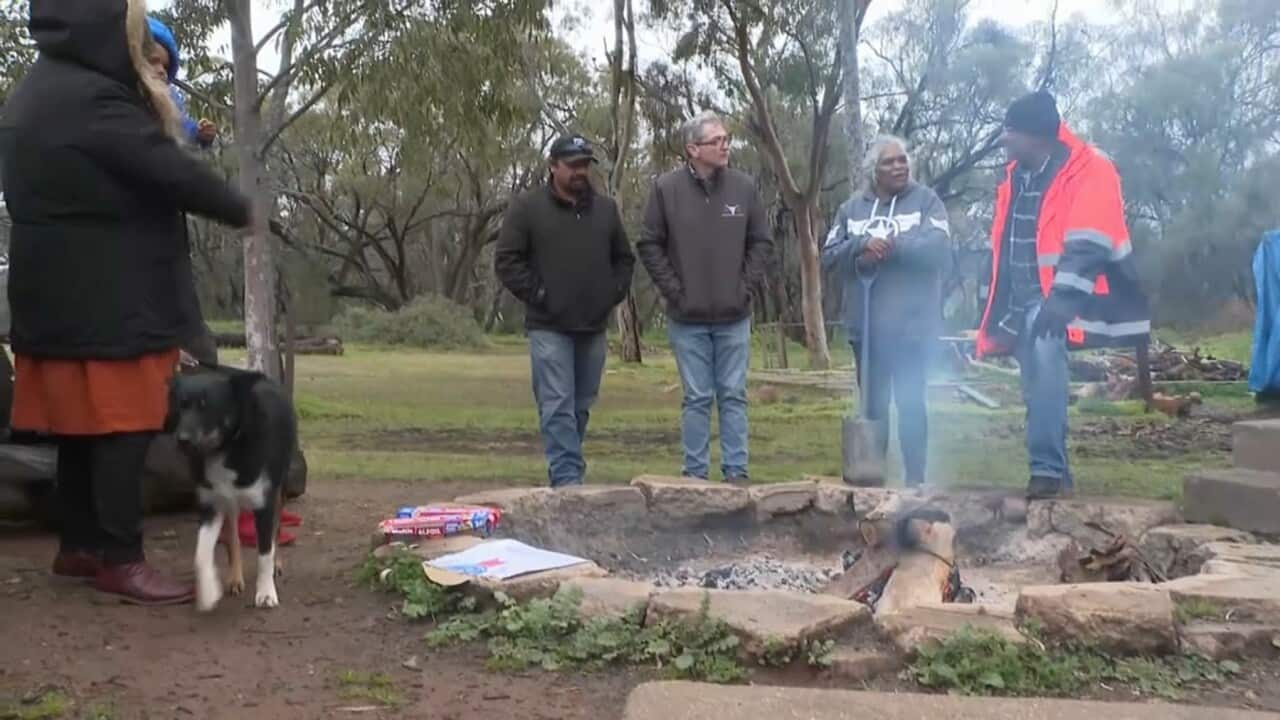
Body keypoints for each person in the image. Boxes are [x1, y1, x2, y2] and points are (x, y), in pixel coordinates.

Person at [0, 0, 253, 604]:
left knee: (80, 429)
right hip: (111, 296)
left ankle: (82, 545)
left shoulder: (37, 90)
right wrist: (247, 210)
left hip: (54, 294)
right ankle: (120, 555)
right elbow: (170, 170)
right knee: (124, 425)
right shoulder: (96, 101)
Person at [146, 13, 302, 546]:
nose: (157, 67)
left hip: (163, 246)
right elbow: (168, 167)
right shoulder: (122, 108)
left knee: (197, 354)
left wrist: (202, 139)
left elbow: (183, 146)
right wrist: (236, 206)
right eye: (147, 56)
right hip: (134, 258)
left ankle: (245, 496)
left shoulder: (168, 106)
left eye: (164, 59)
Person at [976, 90, 1150, 499]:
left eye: (1011, 134)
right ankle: (1056, 475)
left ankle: (1047, 471)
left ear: (1036, 135)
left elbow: (1089, 241)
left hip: (1061, 297)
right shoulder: (1016, 175)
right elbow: (1006, 240)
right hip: (1021, 299)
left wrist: (1062, 299)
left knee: (1047, 371)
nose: (1006, 142)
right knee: (1034, 385)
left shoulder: (1091, 168)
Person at [638, 111, 772, 485]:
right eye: (716, 141)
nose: (725, 146)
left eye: (727, 139)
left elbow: (761, 242)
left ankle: (736, 473)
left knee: (733, 395)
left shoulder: (744, 188)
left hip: (734, 316)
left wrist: (744, 287)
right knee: (696, 398)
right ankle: (695, 478)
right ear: (692, 149)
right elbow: (649, 244)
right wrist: (676, 293)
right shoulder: (666, 189)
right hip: (687, 318)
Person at [495, 134, 635, 488]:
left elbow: (624, 259)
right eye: (572, 165)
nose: (580, 171)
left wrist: (612, 293)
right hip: (549, 325)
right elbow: (507, 261)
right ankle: (568, 478)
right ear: (553, 166)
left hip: (593, 325)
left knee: (580, 406)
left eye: (585, 164)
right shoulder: (527, 208)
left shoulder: (605, 210)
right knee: (557, 403)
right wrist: (540, 294)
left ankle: (564, 470)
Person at [822, 135, 951, 488]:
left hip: (912, 328)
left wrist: (892, 248)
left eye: (902, 160)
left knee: (911, 404)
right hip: (867, 330)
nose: (898, 166)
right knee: (873, 409)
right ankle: (871, 478)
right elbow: (830, 256)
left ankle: (916, 481)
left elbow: (938, 248)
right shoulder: (851, 210)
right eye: (889, 162)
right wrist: (862, 245)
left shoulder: (926, 202)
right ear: (873, 171)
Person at [144, 16, 216, 148]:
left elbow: (181, 125)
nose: (161, 71)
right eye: (153, 61)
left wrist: (199, 132)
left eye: (166, 67)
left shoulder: (170, 103)